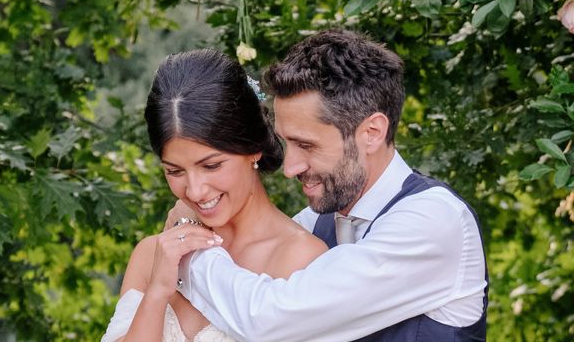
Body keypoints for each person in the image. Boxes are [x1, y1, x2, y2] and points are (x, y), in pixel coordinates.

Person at [171, 29, 488, 341]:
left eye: (306, 145)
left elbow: (270, 320)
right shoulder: (315, 223)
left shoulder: (433, 220)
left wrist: (189, 249)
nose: (290, 167)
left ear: (372, 133)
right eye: (285, 143)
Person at [100, 49, 327, 342]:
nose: (194, 190)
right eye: (175, 171)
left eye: (211, 166)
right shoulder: (153, 254)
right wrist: (157, 292)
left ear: (253, 147)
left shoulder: (301, 259)